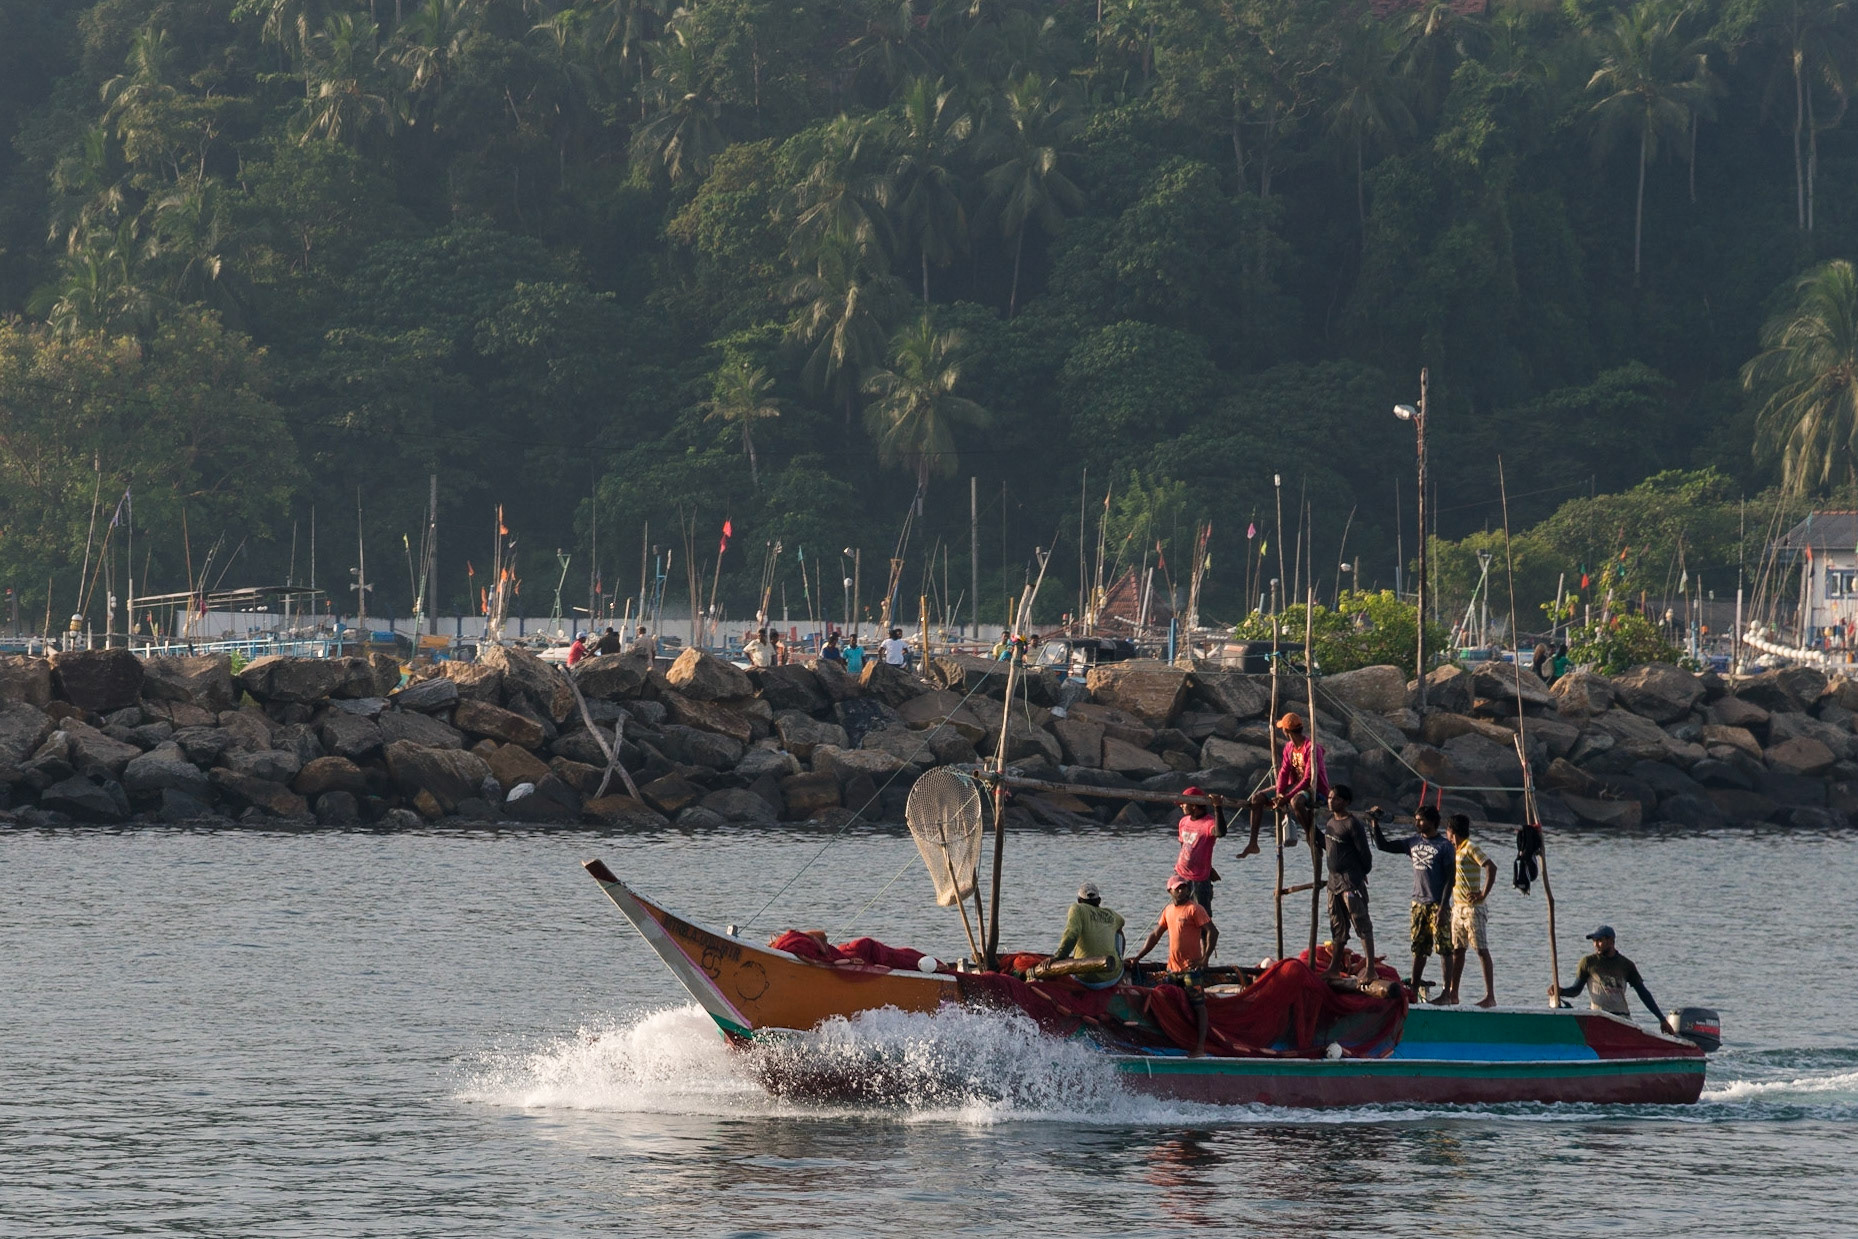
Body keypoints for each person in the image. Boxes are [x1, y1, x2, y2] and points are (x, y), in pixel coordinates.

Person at [1128, 877, 1219, 1056]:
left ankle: (1200, 1047)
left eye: (1184, 888)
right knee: (1172, 1005)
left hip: (1190, 969)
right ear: (1169, 891)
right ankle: (1176, 1040)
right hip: (1173, 969)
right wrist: (1138, 957)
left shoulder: (1195, 909)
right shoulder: (1168, 911)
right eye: (1177, 889)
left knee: (1198, 1006)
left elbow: (1212, 932)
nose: (1181, 891)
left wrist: (1204, 959)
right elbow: (1155, 935)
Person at [1372, 804, 1454, 996]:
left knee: (1444, 948)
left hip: (1437, 904)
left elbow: (1451, 880)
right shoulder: (1413, 842)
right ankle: (1414, 989)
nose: (1417, 823)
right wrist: (1375, 823)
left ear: (1433, 822)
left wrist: (1442, 908)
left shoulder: (1445, 846)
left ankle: (1446, 993)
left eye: (1421, 820)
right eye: (1416, 819)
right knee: (1418, 948)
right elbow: (1383, 846)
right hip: (1418, 903)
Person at [1552, 926, 1675, 1034]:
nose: (1595, 944)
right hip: (1599, 1016)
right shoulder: (1588, 962)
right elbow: (1576, 990)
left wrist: (1661, 1019)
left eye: (1599, 940)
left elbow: (1643, 993)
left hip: (1621, 1018)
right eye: (1594, 941)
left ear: (1611, 941)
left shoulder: (1626, 965)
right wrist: (1560, 991)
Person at [1169, 788, 1259, 914]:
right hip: (1180, 874)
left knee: (1201, 916)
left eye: (1184, 803)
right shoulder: (1183, 822)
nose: (1182, 806)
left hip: (1198, 878)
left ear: (1194, 805)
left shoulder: (1208, 823)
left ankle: (1205, 934)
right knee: (1180, 914)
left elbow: (1220, 832)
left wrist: (1217, 807)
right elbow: (1184, 846)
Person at [1440, 815, 1499, 1007]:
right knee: (1457, 950)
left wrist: (1483, 893)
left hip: (1473, 909)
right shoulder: (1454, 850)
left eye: (1448, 831)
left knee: (1481, 949)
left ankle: (1490, 996)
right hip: (1457, 907)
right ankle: (1453, 993)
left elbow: (1491, 866)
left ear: (1452, 832)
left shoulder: (1470, 847)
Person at [1320, 786, 1377, 983]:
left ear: (1345, 802)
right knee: (1337, 926)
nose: (1330, 801)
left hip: (1350, 882)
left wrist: (1361, 874)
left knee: (1361, 922)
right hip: (1333, 882)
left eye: (1335, 799)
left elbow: (1366, 857)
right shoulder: (1329, 823)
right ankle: (1334, 967)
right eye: (1329, 798)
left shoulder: (1353, 824)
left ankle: (1370, 969)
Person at [1052, 881, 1126, 988]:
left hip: (1084, 978)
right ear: (1099, 901)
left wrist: (1059, 957)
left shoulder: (1077, 908)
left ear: (1079, 900)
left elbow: (1072, 933)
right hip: (1112, 977)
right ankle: (1119, 962)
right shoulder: (1111, 914)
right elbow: (1121, 923)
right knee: (1118, 931)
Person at [1272, 712, 1328, 841]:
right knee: (1257, 798)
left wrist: (1287, 797)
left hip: (1314, 790)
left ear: (1286, 731)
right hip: (1295, 787)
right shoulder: (1289, 747)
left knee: (1296, 802)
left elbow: (1308, 779)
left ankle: (1311, 835)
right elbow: (1284, 772)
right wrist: (1280, 793)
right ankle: (1253, 843)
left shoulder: (1311, 748)